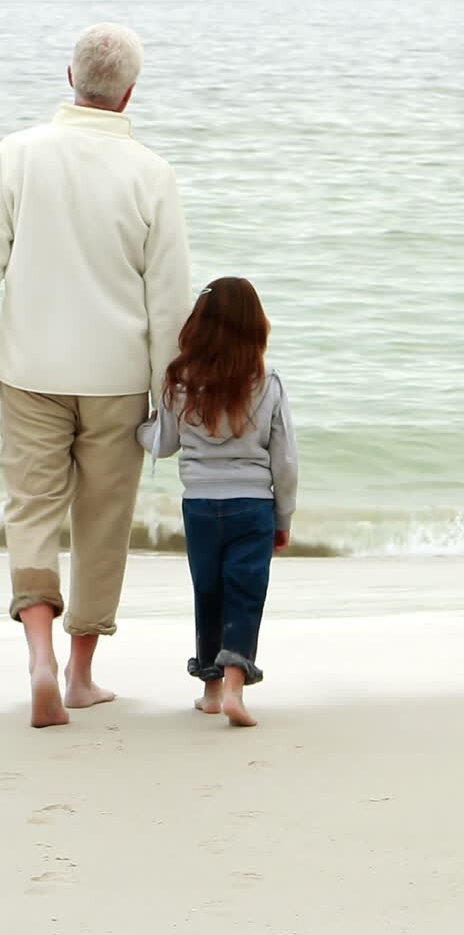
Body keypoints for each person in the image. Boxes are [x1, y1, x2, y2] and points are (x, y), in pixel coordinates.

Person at [0, 23, 191, 728]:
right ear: (130, 91)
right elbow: (167, 298)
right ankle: (81, 675)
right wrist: (168, 394)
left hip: (29, 368)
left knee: (31, 508)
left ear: (69, 77)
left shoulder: (17, 154)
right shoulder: (151, 173)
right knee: (102, 522)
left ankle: (39, 654)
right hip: (116, 378)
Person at [137, 277, 298, 727]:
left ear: (198, 325)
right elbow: (284, 458)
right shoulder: (266, 382)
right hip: (252, 505)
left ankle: (209, 692)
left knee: (208, 592)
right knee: (244, 595)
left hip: (201, 505)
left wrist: (137, 428)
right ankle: (233, 690)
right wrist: (283, 515)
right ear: (256, 327)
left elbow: (163, 443)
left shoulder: (179, 379)